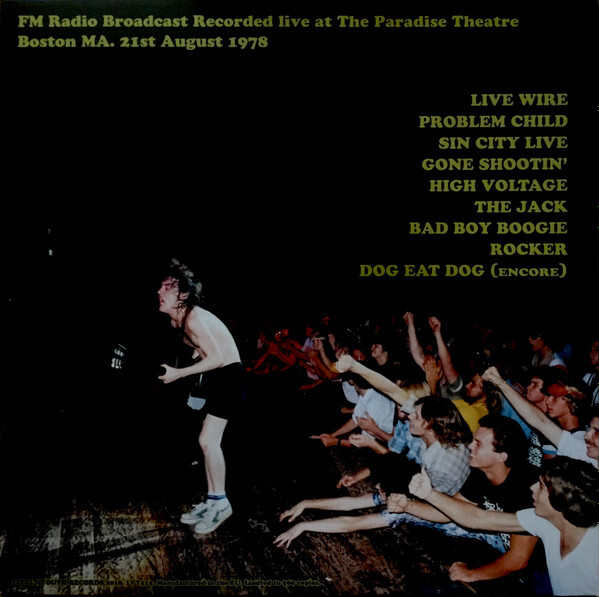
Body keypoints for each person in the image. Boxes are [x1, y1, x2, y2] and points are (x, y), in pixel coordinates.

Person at [408, 456, 599, 596]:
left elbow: (518, 559)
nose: (532, 488)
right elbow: (477, 518)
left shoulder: (593, 553)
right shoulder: (544, 520)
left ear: (560, 500)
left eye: (541, 486)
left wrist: (472, 574)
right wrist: (429, 494)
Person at [157, 258, 243, 534]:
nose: (159, 292)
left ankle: (221, 504)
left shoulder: (193, 317)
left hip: (229, 375)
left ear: (183, 294)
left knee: (208, 440)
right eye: (160, 287)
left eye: (167, 288)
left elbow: (217, 357)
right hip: (218, 376)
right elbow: (202, 351)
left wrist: (180, 374)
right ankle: (213, 500)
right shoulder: (178, 322)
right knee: (207, 441)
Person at [483, 366, 598, 467]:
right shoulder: (571, 439)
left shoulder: (580, 444)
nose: (548, 401)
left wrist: (501, 383)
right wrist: (500, 382)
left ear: (572, 403)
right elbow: (538, 420)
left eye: (555, 398)